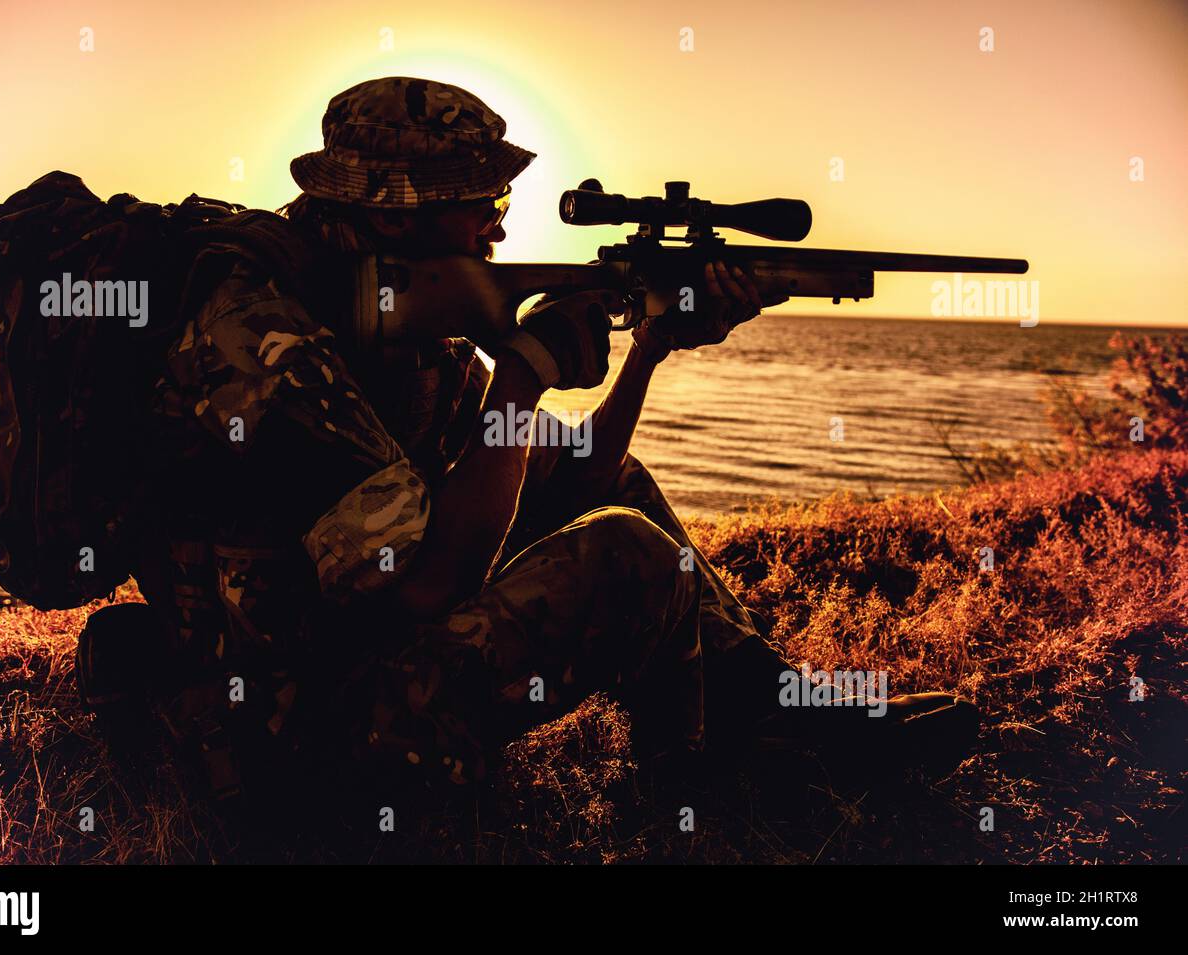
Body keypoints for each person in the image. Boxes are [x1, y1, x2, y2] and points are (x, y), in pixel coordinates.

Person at [125, 76, 977, 801]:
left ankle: (778, 707)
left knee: (621, 485)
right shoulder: (262, 338)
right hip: (290, 724)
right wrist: (523, 374)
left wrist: (646, 350)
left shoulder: (399, 319)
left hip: (350, 644)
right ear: (393, 218)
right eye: (482, 206)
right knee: (627, 555)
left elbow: (576, 476)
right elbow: (424, 589)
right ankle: (725, 774)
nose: (498, 229)